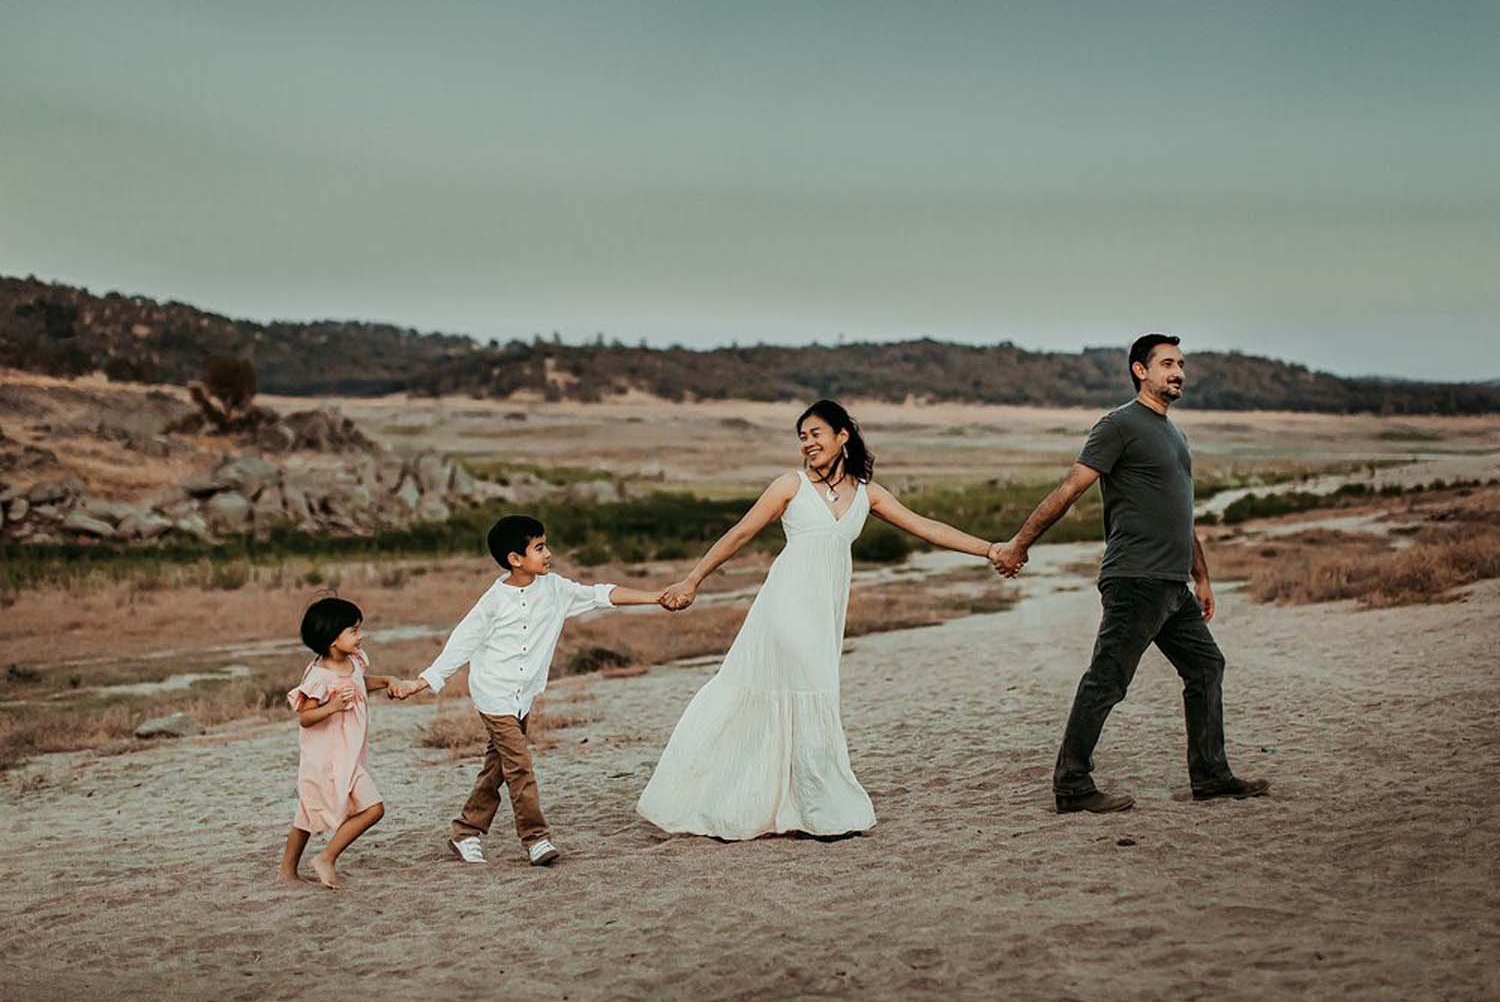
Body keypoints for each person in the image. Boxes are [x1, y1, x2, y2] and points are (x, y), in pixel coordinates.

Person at [639, 399, 1003, 840]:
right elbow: (739, 533)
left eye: (815, 434)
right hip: (784, 607)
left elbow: (925, 526)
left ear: (842, 436)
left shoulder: (868, 493)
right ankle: (821, 809)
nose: (807, 443)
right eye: (802, 437)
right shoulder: (788, 485)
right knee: (807, 689)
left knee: (811, 692)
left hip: (824, 614)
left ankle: (796, 804)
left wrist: (989, 549)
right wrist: (693, 579)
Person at [991, 334, 1269, 813]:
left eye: (1180, 364)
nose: (1177, 372)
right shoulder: (1119, 425)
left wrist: (1200, 577)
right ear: (1141, 371)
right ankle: (1072, 785)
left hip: (1172, 584)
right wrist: (1019, 544)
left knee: (1206, 666)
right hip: (1135, 579)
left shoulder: (1175, 435)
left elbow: (1181, 514)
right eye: (1166, 363)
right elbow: (1069, 489)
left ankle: (1210, 774)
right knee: (1107, 680)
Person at [388, 515, 664, 866]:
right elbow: (460, 645)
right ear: (515, 559)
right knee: (519, 767)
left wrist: (655, 597)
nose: (548, 553)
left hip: (523, 695)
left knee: (498, 766)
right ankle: (536, 839)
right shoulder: (492, 602)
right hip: (493, 695)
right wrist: (421, 682)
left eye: (545, 545)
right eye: (539, 548)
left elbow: (600, 595)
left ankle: (466, 830)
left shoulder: (555, 589)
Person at [279, 596, 394, 889]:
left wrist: (387, 682)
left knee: (310, 812)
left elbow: (359, 683)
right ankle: (321, 859)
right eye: (353, 631)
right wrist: (331, 707)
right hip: (327, 756)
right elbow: (305, 717)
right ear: (333, 638)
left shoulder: (354, 661)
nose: (361, 635)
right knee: (367, 809)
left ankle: (293, 869)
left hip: (350, 753)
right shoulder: (319, 676)